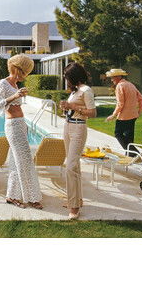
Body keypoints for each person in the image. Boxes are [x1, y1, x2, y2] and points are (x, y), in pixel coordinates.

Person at [0, 54, 43, 210]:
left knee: (16, 162)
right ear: (15, 68)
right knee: (26, 160)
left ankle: (12, 196)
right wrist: (14, 96)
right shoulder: (3, 83)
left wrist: (18, 94)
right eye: (23, 72)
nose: (24, 76)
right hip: (12, 126)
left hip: (21, 124)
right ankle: (32, 198)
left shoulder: (15, 85)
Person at [59, 62, 96, 219]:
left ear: (74, 76)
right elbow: (72, 107)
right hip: (68, 127)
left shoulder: (86, 90)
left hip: (78, 128)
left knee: (70, 167)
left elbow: (93, 113)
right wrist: (66, 107)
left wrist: (73, 107)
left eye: (67, 76)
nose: (66, 79)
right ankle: (75, 200)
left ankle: (74, 207)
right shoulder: (75, 90)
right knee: (75, 167)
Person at [105, 68, 142, 155]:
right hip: (133, 115)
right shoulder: (131, 84)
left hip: (124, 117)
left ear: (119, 77)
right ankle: (131, 155)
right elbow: (141, 98)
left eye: (113, 77)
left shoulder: (120, 86)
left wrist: (113, 115)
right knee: (129, 138)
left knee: (118, 134)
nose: (111, 80)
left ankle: (135, 153)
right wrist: (139, 111)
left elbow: (120, 104)